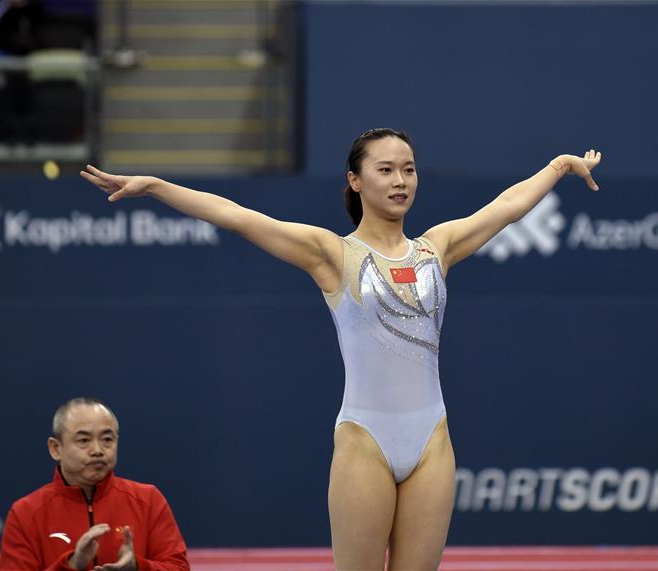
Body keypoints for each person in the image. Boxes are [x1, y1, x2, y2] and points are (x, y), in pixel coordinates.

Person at [80, 129, 601, 570]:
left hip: (432, 442)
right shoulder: (332, 253)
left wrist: (558, 166)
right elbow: (238, 216)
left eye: (409, 170)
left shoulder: (437, 247)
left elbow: (507, 208)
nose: (400, 181)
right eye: (386, 170)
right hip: (365, 442)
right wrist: (155, 186)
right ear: (355, 180)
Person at [0, 398, 190, 571]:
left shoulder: (148, 499)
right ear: (55, 448)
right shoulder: (25, 513)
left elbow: (179, 567)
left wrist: (138, 567)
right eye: (84, 440)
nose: (98, 450)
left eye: (107, 439)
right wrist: (73, 565)